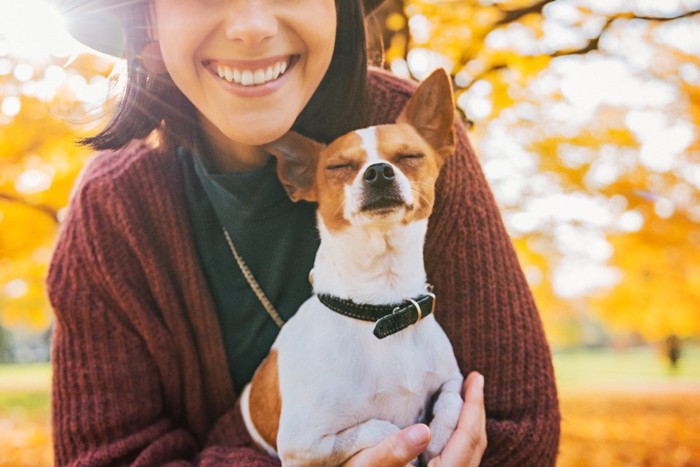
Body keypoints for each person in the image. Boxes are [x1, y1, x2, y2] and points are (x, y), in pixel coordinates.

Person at [49, 0, 560, 465]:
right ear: (147, 29)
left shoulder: (412, 143)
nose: (251, 27)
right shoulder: (112, 208)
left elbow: (518, 432)